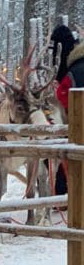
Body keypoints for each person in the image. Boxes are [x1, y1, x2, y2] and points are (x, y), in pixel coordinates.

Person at [50, 24, 84, 194]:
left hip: (77, 122)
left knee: (69, 152)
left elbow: (63, 93)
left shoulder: (73, 70)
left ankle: (65, 195)